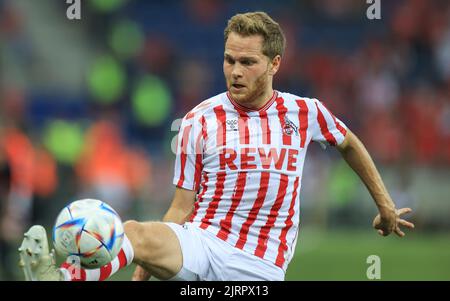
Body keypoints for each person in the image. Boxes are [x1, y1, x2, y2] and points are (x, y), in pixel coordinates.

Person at [19, 11, 414, 281]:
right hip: (202, 242)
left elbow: (349, 143)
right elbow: (180, 204)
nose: (235, 71)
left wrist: (385, 207)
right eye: (229, 60)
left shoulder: (305, 112)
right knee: (135, 231)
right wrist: (144, 265)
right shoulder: (198, 119)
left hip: (260, 265)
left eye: (247, 62)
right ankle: (64, 276)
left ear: (274, 64)